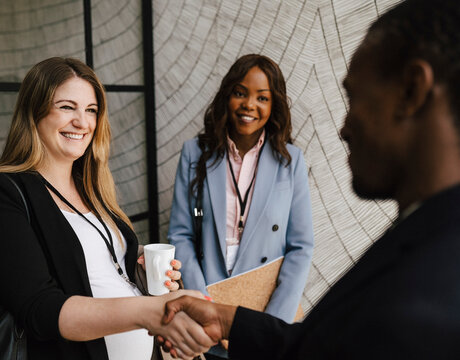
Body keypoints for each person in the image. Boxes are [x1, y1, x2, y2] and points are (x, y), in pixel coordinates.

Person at [159, 0, 460, 358]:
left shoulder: (433, 284)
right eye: (240, 93)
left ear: (411, 90)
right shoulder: (419, 234)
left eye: (354, 97)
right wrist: (226, 318)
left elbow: (302, 250)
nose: (343, 129)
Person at [0, 57, 215, 360]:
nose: (82, 122)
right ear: (34, 111)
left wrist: (139, 276)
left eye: (91, 110)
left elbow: (102, 278)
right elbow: (41, 311)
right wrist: (151, 310)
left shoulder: (93, 189)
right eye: (67, 107)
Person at [168, 53, 314, 358]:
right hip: (209, 298)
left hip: (266, 307)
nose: (249, 104)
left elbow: (301, 246)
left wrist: (269, 325)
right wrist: (205, 307)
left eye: (262, 97)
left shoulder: (291, 160)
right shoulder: (195, 153)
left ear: (274, 106)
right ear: (227, 97)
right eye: (240, 93)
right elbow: (182, 233)